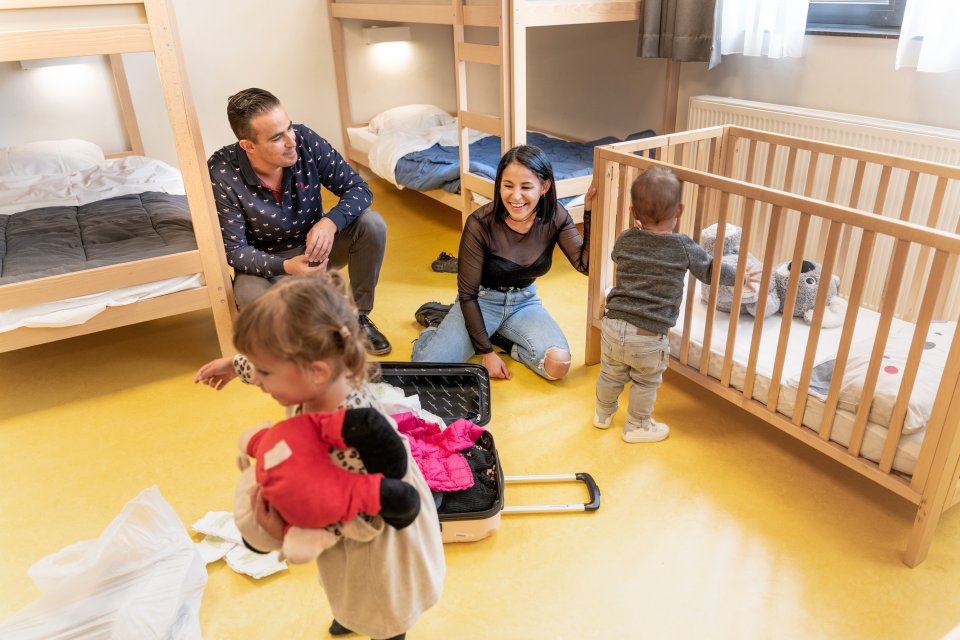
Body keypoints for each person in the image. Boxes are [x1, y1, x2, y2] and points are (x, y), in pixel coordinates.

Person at [196, 274, 444, 640]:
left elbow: (355, 509)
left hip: (374, 524)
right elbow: (270, 360)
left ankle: (383, 630)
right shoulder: (320, 376)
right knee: (345, 579)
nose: (260, 379)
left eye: (264, 372)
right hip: (339, 515)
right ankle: (350, 611)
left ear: (316, 370)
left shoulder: (351, 437)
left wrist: (285, 525)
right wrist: (236, 366)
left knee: (380, 593)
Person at [208, 87, 392, 355]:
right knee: (253, 302)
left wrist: (330, 222)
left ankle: (358, 317)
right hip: (266, 266)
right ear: (248, 146)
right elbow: (235, 251)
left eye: (289, 128)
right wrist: (286, 266)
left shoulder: (304, 140)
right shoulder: (221, 172)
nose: (291, 141)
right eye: (276, 138)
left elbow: (358, 188)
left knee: (371, 224)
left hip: (316, 249)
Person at [594, 166, 760, 443]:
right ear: (680, 211)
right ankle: (637, 425)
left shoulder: (626, 238)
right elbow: (709, 271)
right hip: (648, 335)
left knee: (611, 373)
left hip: (613, 324)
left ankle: (602, 414)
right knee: (645, 382)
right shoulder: (682, 245)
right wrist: (739, 276)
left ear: (633, 213)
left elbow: (616, 255)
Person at [411, 145, 590, 381]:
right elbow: (467, 294)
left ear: (544, 187)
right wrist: (486, 353)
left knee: (558, 365)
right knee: (426, 370)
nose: (515, 196)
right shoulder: (480, 223)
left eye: (526, 187)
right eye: (507, 186)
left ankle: (498, 335)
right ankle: (437, 325)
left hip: (524, 302)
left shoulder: (556, 216)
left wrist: (589, 215)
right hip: (482, 301)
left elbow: (584, 265)